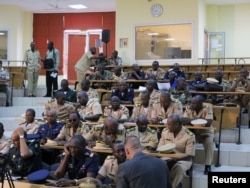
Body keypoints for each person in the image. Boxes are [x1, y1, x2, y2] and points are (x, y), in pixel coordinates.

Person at [157, 114, 195, 188]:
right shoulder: (165, 132)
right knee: (156, 166)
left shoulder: (189, 135)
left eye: (169, 125)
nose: (167, 126)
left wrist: (175, 160)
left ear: (177, 125)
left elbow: (189, 156)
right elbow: (159, 149)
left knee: (178, 169)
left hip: (182, 159)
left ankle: (173, 186)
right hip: (166, 157)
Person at [182, 95, 214, 175]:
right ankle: (189, 165)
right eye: (192, 103)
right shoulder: (189, 107)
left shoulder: (207, 108)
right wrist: (197, 120)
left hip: (205, 133)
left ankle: (208, 165)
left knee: (209, 143)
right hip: (193, 133)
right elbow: (183, 120)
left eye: (195, 104)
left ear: (201, 104)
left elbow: (209, 122)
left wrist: (190, 121)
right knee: (188, 142)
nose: (192, 105)